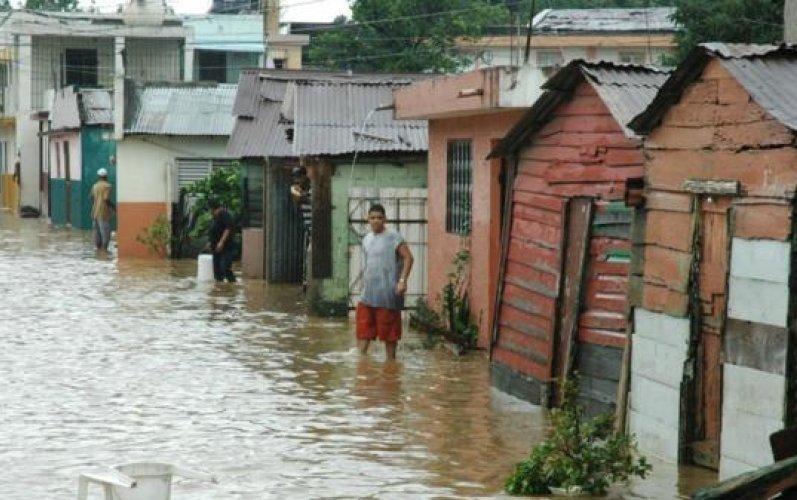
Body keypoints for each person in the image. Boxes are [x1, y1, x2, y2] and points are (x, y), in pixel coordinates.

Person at [356, 203, 414, 361]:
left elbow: (408, 258)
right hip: (368, 294)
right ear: (368, 219)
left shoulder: (394, 237)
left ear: (385, 219)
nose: (376, 221)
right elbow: (369, 263)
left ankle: (390, 365)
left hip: (388, 293)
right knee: (364, 332)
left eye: (379, 218)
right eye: (373, 218)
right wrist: (363, 283)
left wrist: (402, 280)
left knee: (389, 334)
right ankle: (362, 364)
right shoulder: (366, 239)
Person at [290, 166, 312, 290]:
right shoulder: (299, 190)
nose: (297, 181)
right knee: (306, 258)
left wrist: (300, 194)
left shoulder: (313, 188)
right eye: (295, 178)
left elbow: (313, 201)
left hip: (317, 230)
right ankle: (306, 284)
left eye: (299, 178)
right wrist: (297, 194)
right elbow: (296, 201)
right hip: (308, 229)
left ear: (305, 177)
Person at [207, 198, 237, 283]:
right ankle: (220, 289)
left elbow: (228, 228)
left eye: (209, 208)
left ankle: (232, 285)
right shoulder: (215, 217)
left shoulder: (224, 214)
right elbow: (214, 231)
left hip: (226, 247)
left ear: (212, 208)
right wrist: (210, 242)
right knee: (217, 271)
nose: (209, 211)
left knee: (225, 268)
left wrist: (221, 242)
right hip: (216, 248)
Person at [90, 167, 114, 251]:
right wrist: (113, 207)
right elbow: (106, 199)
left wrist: (95, 205)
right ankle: (104, 252)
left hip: (95, 212)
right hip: (103, 212)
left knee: (97, 233)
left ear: (98, 176)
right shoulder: (108, 186)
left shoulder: (94, 186)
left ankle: (98, 252)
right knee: (105, 233)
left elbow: (92, 198)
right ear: (106, 176)